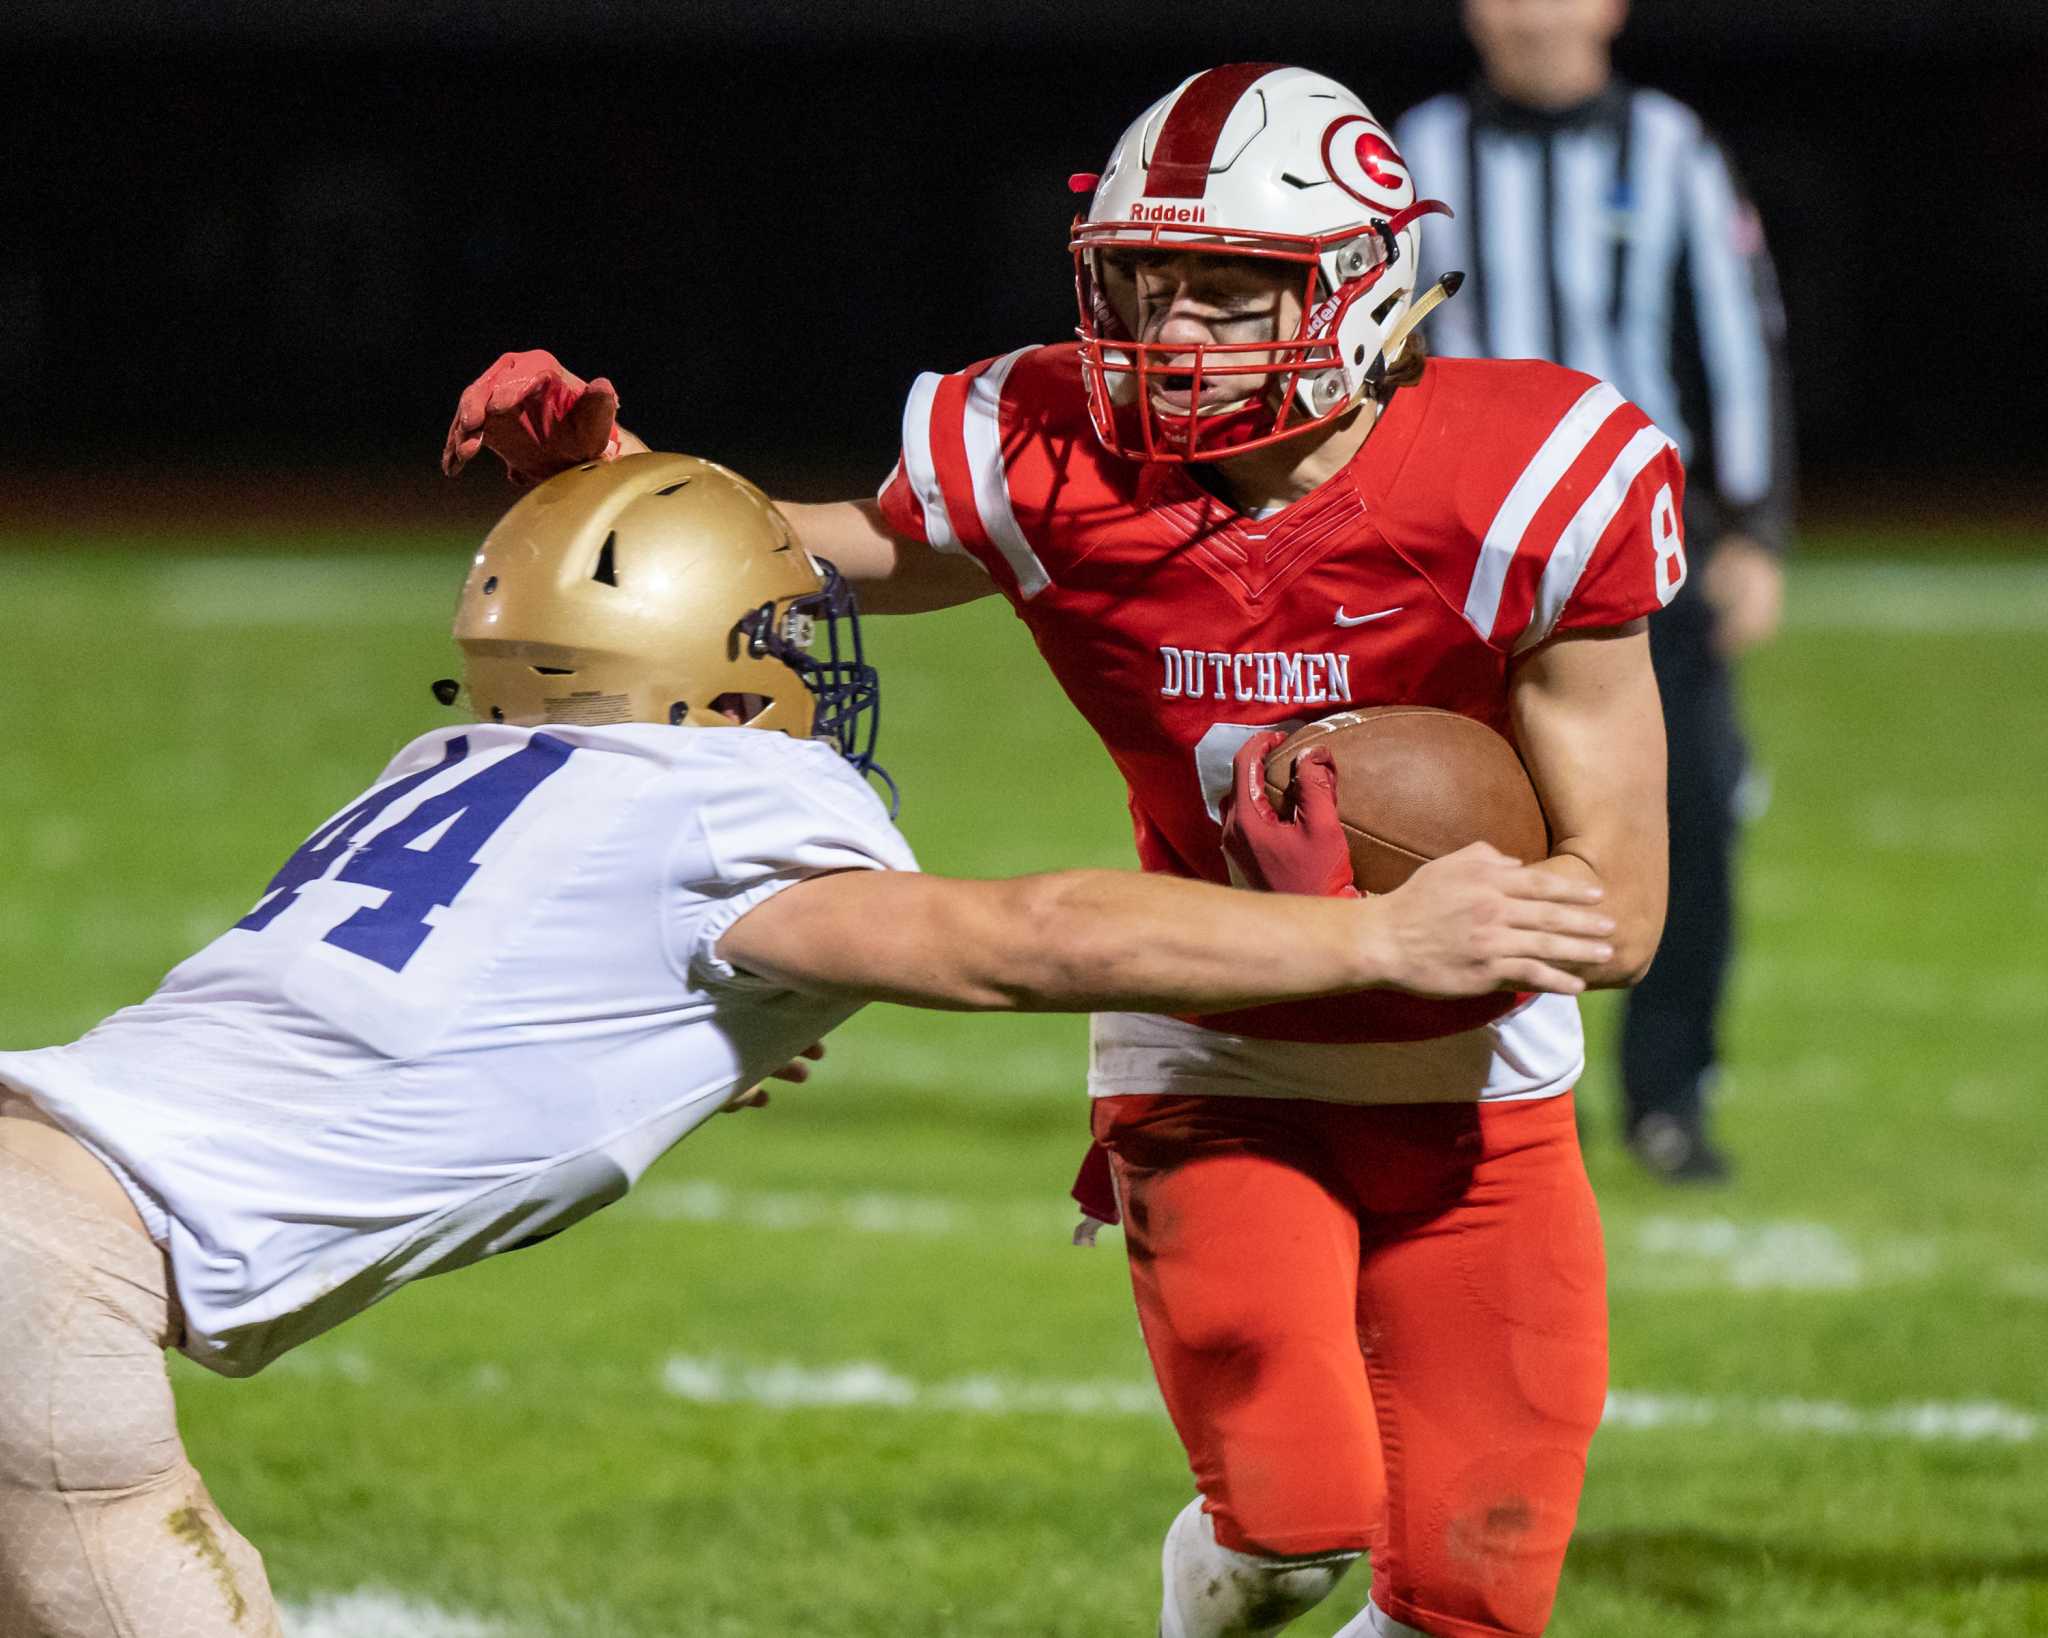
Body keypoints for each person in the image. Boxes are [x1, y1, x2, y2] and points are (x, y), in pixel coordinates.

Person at [444, 61, 1677, 1638]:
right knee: (1293, 1526)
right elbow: (803, 554)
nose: (1170, 337)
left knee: (1474, 1599)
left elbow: (1622, 906)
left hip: (1479, 1081)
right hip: (1214, 1044)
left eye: (1231, 295)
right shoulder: (1051, 451)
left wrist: (1423, 909)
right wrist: (615, 489)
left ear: (1367, 294)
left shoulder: (1526, 481)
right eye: (1144, 286)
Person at [0, 452, 1615, 1638]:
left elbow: (471, 994)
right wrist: (1377, 937)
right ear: (710, 662)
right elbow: (1023, 942)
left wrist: (703, 1027)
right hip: (45, 1277)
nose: (804, 669)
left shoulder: (442, 764)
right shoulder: (724, 798)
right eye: (775, 635)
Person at [1394, 0, 1796, 1180]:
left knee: (1688, 815)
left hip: (1634, 541)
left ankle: (1667, 1098)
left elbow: (1739, 335)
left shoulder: (1669, 145)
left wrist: (1755, 529)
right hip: (1457, 545)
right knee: (1428, 810)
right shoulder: (1416, 148)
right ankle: (1433, 1085)